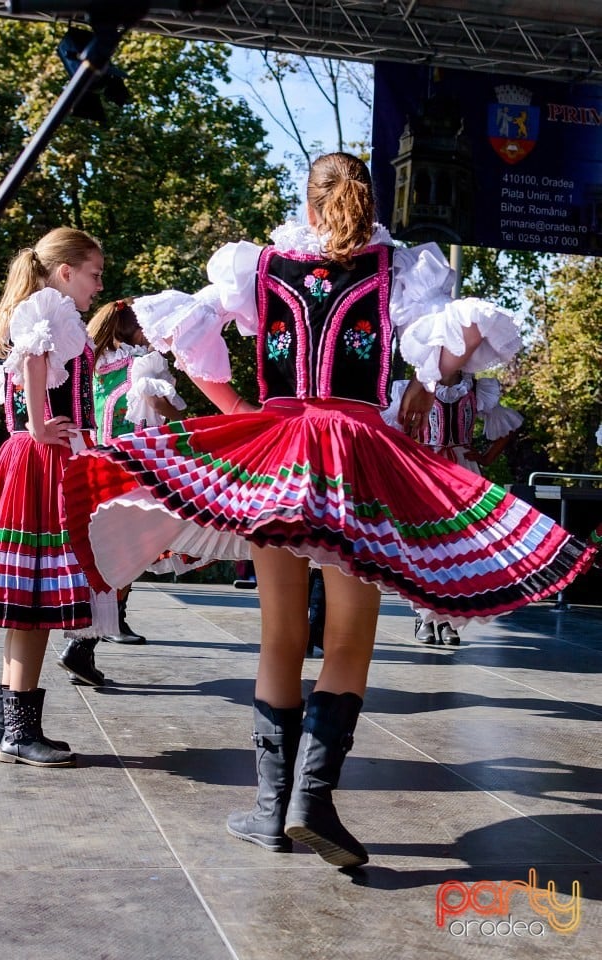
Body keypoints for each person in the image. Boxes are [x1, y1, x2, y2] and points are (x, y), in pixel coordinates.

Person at [62, 153, 597, 867]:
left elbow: (188, 341)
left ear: (308, 206)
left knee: (281, 636)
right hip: (355, 455)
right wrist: (426, 385)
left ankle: (267, 809)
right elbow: (466, 336)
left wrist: (238, 413)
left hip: (277, 451)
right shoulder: (397, 270)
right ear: (367, 202)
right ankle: (314, 801)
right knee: (347, 639)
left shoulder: (256, 268)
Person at [0, 227, 115, 768]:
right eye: (94, 274)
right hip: (41, 463)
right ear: (66, 270)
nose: (99, 285)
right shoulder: (48, 308)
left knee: (25, 606)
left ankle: (7, 728)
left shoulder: (51, 311)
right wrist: (36, 424)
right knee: (32, 605)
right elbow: (32, 362)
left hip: (31, 460)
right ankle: (19, 734)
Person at [57, 297, 186, 685]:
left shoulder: (95, 365)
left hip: (92, 465)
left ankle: (83, 644)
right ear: (131, 329)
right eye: (147, 326)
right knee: (127, 557)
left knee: (105, 555)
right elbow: (167, 409)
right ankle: (81, 647)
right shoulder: (144, 365)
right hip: (130, 470)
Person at [384, 368, 524, 645]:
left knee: (461, 546)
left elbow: (507, 428)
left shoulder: (477, 389)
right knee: (426, 544)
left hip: (463, 470)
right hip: (426, 470)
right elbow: (393, 430)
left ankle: (450, 620)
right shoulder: (414, 387)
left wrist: (485, 458)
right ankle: (424, 615)